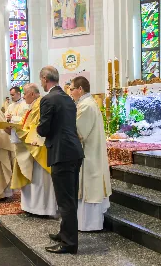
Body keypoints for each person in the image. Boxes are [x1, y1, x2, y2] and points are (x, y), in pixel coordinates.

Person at [37, 66, 84, 254]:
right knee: (70, 198)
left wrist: (39, 128)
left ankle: (69, 243)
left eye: (41, 79)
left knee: (65, 201)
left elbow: (44, 129)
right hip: (74, 152)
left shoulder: (48, 99)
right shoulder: (68, 98)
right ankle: (65, 233)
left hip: (61, 154)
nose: (41, 82)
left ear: (44, 78)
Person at [6, 83, 57, 216]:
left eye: (25, 93)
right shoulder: (33, 106)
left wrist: (16, 126)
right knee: (33, 179)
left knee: (39, 180)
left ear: (32, 94)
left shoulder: (40, 105)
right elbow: (25, 122)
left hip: (38, 148)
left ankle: (42, 208)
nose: (23, 96)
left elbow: (36, 126)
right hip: (31, 146)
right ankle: (31, 207)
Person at [69, 76, 112, 231]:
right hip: (89, 152)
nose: (71, 92)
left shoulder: (86, 106)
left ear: (80, 89)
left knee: (89, 188)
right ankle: (84, 223)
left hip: (89, 154)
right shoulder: (86, 103)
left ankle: (89, 224)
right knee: (88, 187)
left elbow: (79, 132)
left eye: (72, 89)